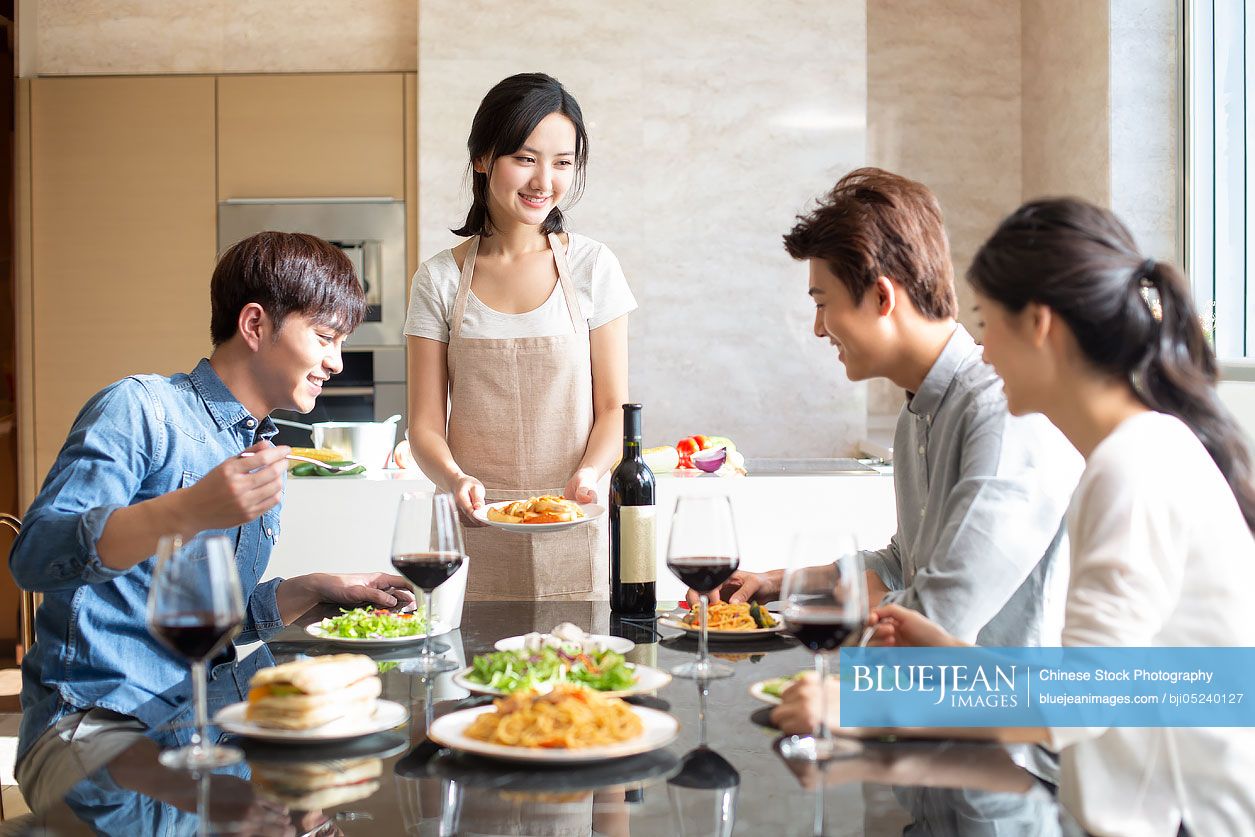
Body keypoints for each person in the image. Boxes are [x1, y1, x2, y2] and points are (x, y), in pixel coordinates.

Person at [776, 198, 1255, 836]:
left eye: (987, 322)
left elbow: (1087, 700)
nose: (983, 349)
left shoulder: (1133, 465)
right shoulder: (1134, 453)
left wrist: (860, 704)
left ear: (1041, 325)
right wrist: (951, 654)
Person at [11, 231, 414, 811]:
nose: (336, 361)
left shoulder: (258, 451)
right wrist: (187, 510)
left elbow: (199, 627)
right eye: (324, 337)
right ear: (255, 325)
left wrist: (309, 589)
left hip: (203, 724)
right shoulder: (141, 410)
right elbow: (35, 557)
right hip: (93, 737)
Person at [691, 168, 1081, 648]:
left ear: (881, 296)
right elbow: (903, 562)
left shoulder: (1001, 414)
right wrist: (777, 583)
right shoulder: (917, 411)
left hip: (1000, 707)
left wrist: (838, 606)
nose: (819, 328)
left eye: (822, 302)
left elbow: (941, 615)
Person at [405, 73, 635, 601]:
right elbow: (423, 425)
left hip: (571, 519)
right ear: (484, 157)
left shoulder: (593, 267)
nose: (544, 181)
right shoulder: (439, 279)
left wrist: (588, 475)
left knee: (572, 679)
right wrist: (454, 479)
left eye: (562, 163)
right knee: (473, 675)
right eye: (526, 159)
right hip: (472, 525)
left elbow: (613, 408)